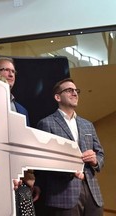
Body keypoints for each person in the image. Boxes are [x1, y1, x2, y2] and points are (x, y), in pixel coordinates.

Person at [34, 78, 104, 216]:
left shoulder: (87, 124)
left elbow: (100, 154)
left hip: (92, 192)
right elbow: (43, 161)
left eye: (76, 90)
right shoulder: (46, 123)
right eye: (69, 90)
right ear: (57, 97)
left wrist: (95, 161)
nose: (75, 93)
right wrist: (70, 171)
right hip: (63, 194)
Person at [0, 57, 36, 216]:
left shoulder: (22, 110)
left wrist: (29, 175)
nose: (10, 74)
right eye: (5, 70)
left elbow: (26, 145)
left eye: (13, 71)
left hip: (20, 184)